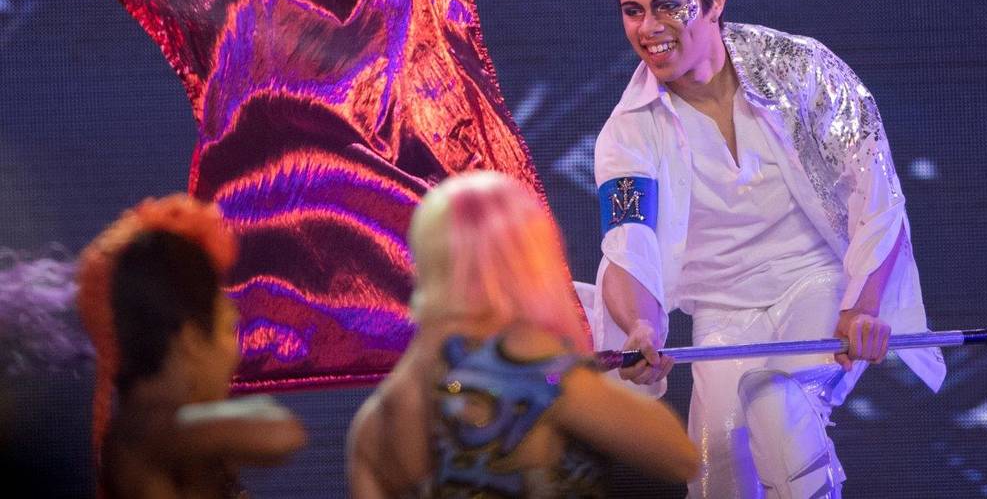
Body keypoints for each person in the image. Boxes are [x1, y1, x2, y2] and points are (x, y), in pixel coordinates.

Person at [590, 0, 946, 498]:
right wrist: (641, 327)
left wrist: (863, 307)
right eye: (633, 11)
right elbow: (630, 242)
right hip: (722, 313)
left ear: (714, 0)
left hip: (820, 284)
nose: (648, 28)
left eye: (668, 5)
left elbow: (877, 195)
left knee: (777, 410)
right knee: (717, 476)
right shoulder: (626, 135)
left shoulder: (804, 68)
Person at [347, 171, 699, 497]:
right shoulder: (533, 371)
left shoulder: (378, 418)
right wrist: (561, 371)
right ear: (527, 258)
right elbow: (680, 457)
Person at [78, 194, 306, 498]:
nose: (236, 352)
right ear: (191, 341)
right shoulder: (141, 434)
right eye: (227, 329)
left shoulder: (161, 434)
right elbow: (279, 432)